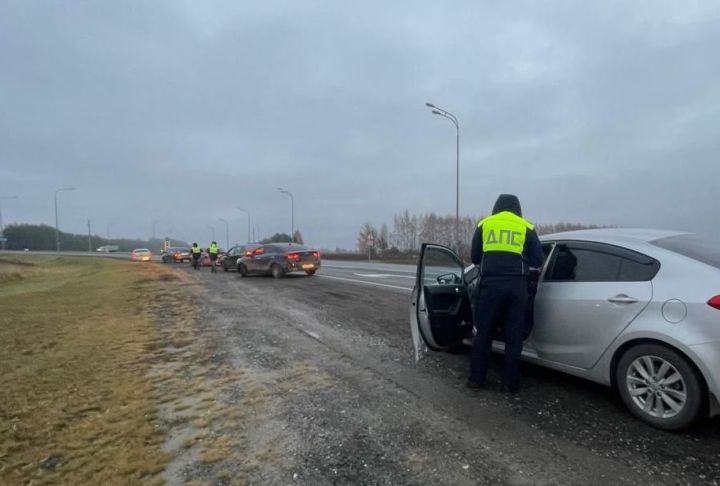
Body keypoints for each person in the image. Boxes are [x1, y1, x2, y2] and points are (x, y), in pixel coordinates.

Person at [467, 194, 543, 393]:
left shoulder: (485, 224)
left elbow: (475, 257)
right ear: (517, 208)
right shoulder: (526, 226)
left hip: (490, 285)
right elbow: (537, 261)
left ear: (496, 207)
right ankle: (509, 383)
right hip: (516, 287)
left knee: (483, 333)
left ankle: (476, 379)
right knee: (513, 336)